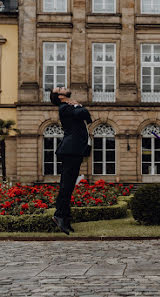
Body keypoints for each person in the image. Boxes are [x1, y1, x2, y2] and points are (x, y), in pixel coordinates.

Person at [49, 87, 92, 235]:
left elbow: (87, 117)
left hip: (73, 151)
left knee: (68, 185)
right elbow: (84, 113)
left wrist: (77, 106)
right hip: (70, 151)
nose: (64, 87)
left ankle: (65, 218)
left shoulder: (68, 107)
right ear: (60, 96)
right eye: (60, 88)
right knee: (66, 185)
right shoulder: (64, 108)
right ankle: (59, 215)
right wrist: (77, 105)